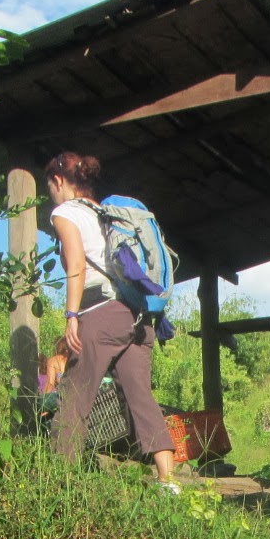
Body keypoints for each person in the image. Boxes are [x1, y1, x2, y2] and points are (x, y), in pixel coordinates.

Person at [45, 151, 178, 489]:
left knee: (74, 397)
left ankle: (60, 482)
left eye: (50, 187)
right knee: (141, 398)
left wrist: (71, 315)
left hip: (101, 314)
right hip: (137, 316)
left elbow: (76, 264)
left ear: (58, 181)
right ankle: (169, 481)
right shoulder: (105, 213)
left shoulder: (66, 213)